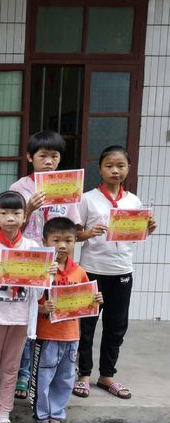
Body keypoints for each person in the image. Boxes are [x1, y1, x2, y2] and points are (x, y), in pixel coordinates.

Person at [73, 146, 157, 400]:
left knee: (116, 326)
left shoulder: (133, 201)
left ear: (128, 168)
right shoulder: (87, 199)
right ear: (99, 169)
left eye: (120, 165)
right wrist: (89, 233)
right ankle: (83, 375)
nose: (115, 170)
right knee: (86, 325)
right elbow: (73, 234)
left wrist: (147, 229)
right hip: (91, 270)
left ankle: (107, 375)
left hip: (121, 270)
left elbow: (134, 235)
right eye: (109, 165)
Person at [0, 191, 53, 423]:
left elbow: (38, 292)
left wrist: (47, 274)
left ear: (25, 216)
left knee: (11, 370)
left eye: (16, 213)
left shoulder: (32, 247)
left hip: (21, 318)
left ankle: (5, 416)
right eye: (4, 212)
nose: (10, 218)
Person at [10, 130, 81, 400]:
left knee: (52, 315)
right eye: (43, 156)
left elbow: (72, 228)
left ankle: (49, 369)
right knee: (29, 314)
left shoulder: (67, 186)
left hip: (58, 262)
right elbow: (11, 227)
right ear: (30, 157)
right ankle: (23, 372)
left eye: (54, 156)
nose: (49, 161)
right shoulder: (20, 188)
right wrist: (28, 208)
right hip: (29, 259)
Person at [31, 218, 103, 423]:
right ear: (45, 241)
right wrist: (42, 307)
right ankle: (42, 418)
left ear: (75, 242)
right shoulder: (41, 269)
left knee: (65, 378)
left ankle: (57, 418)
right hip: (47, 335)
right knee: (43, 378)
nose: (62, 245)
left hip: (71, 335)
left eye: (68, 240)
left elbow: (85, 300)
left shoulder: (79, 271)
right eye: (56, 240)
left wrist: (95, 300)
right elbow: (31, 301)